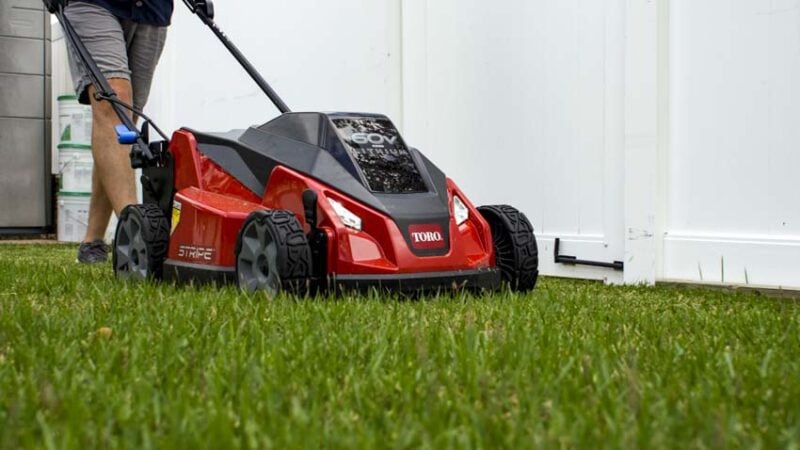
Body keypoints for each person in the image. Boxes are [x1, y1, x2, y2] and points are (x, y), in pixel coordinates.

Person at [46, 0, 173, 263]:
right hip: (92, 3)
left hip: (153, 10)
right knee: (114, 103)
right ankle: (139, 237)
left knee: (123, 127)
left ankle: (92, 241)